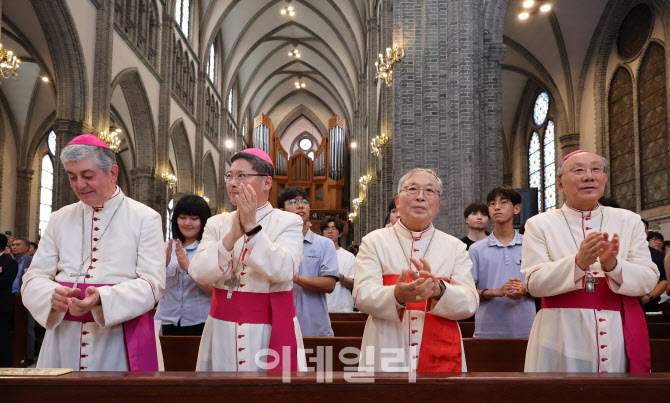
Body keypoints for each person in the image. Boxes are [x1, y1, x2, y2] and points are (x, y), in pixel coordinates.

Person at [21, 134, 165, 371]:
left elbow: (154, 283)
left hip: (118, 340)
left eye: (88, 176)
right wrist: (51, 295)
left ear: (113, 173)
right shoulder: (59, 218)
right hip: (62, 339)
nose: (79, 185)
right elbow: (33, 277)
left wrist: (103, 300)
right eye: (72, 177)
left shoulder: (145, 218)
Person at [521, 150, 658, 373]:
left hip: (618, 333)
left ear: (604, 179)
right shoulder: (539, 224)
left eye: (596, 169)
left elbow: (649, 279)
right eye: (579, 170)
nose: (589, 176)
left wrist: (614, 266)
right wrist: (578, 263)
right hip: (560, 333)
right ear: (560, 184)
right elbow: (534, 284)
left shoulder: (629, 221)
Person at [188, 148, 306, 372]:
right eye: (230, 176)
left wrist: (252, 228)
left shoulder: (289, 222)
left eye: (241, 176)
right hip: (221, 328)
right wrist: (230, 238)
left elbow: (285, 270)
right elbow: (198, 272)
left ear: (267, 182)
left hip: (270, 328)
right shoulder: (216, 223)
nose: (232, 182)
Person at [354, 168, 478, 372]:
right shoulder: (373, 241)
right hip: (387, 342)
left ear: (438, 204)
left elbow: (470, 302)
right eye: (412, 189)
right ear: (397, 201)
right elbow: (361, 295)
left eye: (430, 191)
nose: (420, 197)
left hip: (442, 346)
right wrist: (396, 294)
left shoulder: (455, 247)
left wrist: (439, 290)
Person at [469, 187, 535, 338]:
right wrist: (496, 292)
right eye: (492, 203)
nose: (497, 207)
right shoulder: (476, 249)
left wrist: (525, 289)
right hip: (487, 329)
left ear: (516, 208)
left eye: (503, 202)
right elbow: (467, 291)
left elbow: (544, 284)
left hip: (526, 328)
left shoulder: (530, 245)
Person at [278, 187, 338, 337]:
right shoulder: (274, 244)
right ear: (281, 211)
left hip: (314, 327)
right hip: (281, 326)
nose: (300, 205)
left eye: (304, 201)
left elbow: (329, 284)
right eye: (293, 201)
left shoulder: (324, 244)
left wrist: (293, 276)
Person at [155, 195, 212, 335]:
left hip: (199, 320)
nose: (187, 223)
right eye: (182, 217)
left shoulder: (209, 250)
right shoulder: (164, 248)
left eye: (194, 219)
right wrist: (160, 268)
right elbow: (152, 286)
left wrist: (189, 269)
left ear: (203, 221)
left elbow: (214, 291)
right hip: (165, 319)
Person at [321, 217, 356, 313]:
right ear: (323, 233)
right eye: (326, 228)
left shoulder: (349, 256)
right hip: (320, 307)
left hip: (342, 307)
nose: (330, 231)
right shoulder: (316, 255)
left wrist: (340, 277)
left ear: (340, 233)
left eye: (334, 228)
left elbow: (354, 285)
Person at [11, 237, 35, 366]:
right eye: (13, 244)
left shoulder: (32, 261)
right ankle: (15, 355)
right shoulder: (10, 261)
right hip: (11, 298)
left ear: (26, 248)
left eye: (18, 244)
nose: (14, 247)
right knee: (14, 328)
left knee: (28, 327)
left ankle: (29, 356)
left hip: (27, 298)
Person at [0, 234, 18, 367]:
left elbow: (6, 282)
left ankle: (4, 365)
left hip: (2, 306)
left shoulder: (9, 262)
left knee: (2, 336)